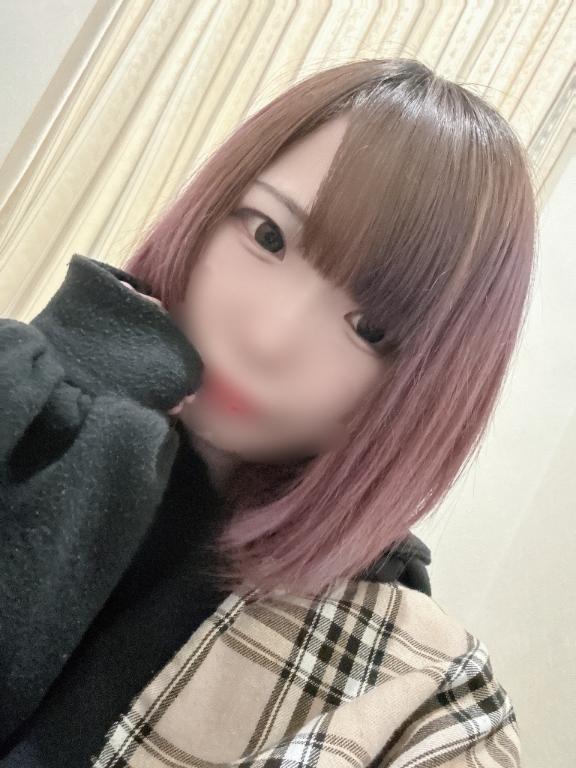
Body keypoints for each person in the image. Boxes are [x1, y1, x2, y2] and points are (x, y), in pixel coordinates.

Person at [0, 57, 534, 766]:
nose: (268, 339)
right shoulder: (22, 393)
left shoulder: (401, 678)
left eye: (370, 329)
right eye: (268, 237)